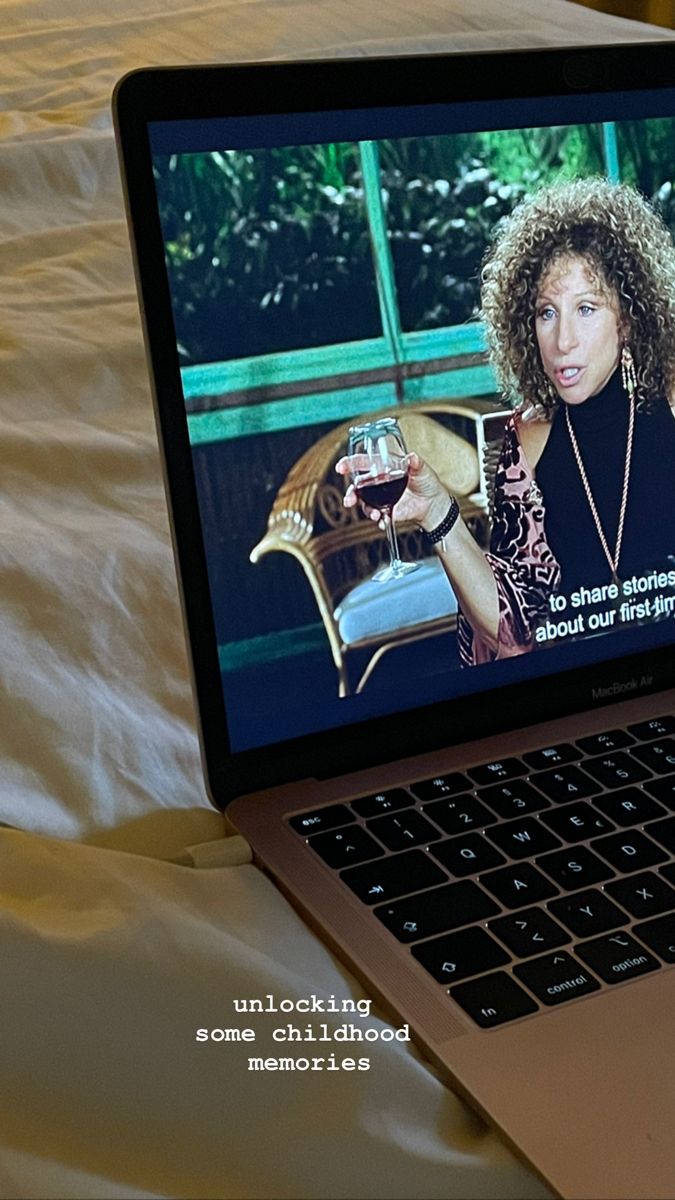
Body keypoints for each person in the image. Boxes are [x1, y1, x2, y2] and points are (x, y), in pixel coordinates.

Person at [337, 177, 675, 665]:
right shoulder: (528, 444)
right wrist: (436, 512)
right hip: (582, 694)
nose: (563, 341)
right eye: (546, 314)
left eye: (586, 308)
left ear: (627, 316)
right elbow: (512, 631)